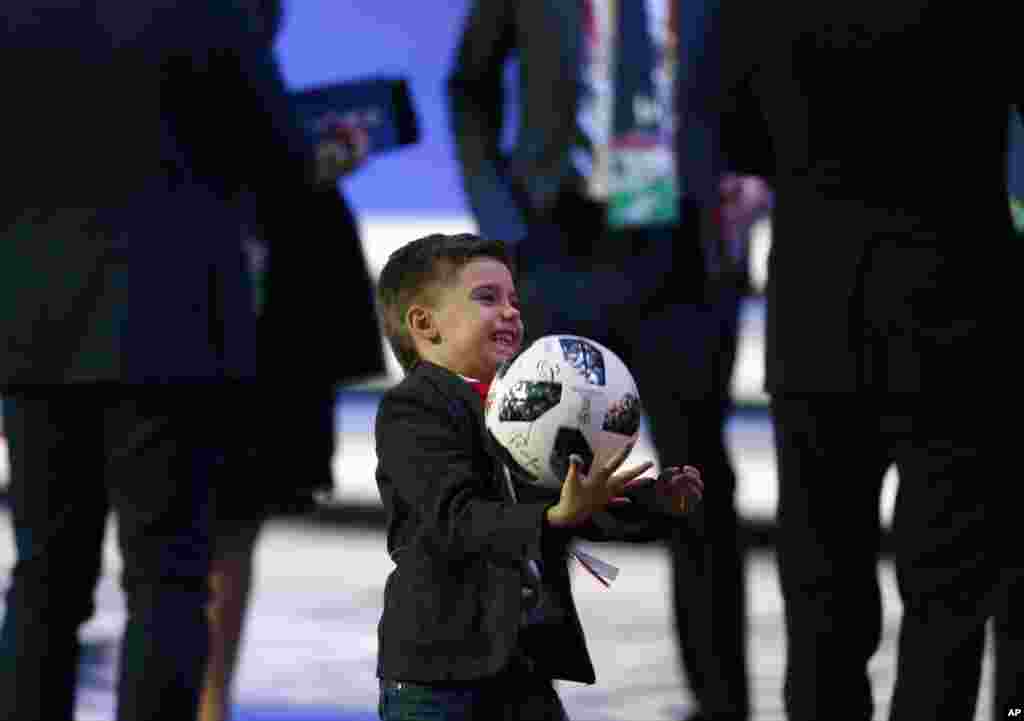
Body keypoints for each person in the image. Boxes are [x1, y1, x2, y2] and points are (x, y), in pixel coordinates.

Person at [0, 2, 357, 720]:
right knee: (166, 581)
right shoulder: (207, 8)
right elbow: (278, 164)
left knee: (43, 581)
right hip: (172, 332)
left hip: (35, 328)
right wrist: (332, 153)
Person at [716, 2, 1022, 719]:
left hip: (817, 315)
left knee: (822, 596)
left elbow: (741, 134)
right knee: (947, 598)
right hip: (958, 313)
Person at [446, 2, 752, 718]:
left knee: (700, 483)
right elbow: (468, 83)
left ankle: (722, 702)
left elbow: (760, 73)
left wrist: (747, 179)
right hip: (559, 243)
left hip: (681, 255)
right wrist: (501, 221)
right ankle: (528, 698)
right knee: (536, 487)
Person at [373, 232, 704, 720]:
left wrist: (656, 501)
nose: (510, 311)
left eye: (514, 300)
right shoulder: (413, 409)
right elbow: (457, 517)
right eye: (487, 298)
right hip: (439, 675)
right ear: (424, 324)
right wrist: (552, 515)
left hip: (522, 667)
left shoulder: (526, 410)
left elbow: (571, 502)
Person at [195, 3, 387, 719]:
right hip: (151, 313)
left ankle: (211, 705)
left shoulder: (254, 62)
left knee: (230, 521)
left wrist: (313, 163)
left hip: (263, 323)